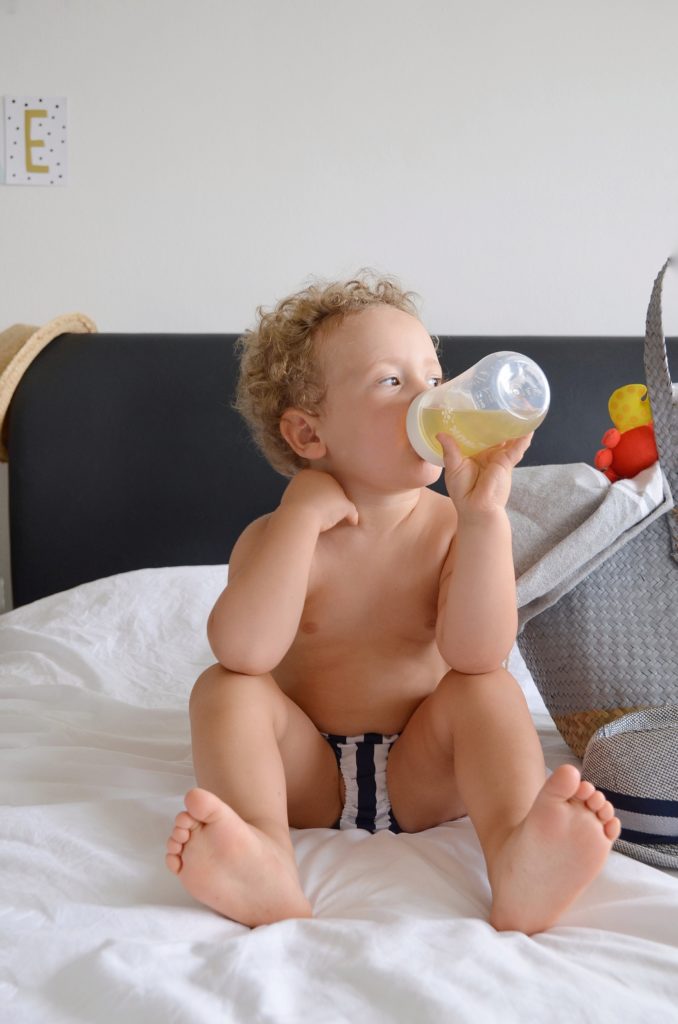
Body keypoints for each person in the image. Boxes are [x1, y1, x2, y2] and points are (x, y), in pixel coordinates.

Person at [165, 272, 621, 934]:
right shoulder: (274, 538)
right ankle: (262, 852)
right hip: (305, 774)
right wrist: (299, 520)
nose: (429, 399)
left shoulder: (451, 527)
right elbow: (243, 651)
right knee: (225, 689)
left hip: (423, 767)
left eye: (433, 378)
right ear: (308, 434)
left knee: (487, 689)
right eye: (391, 381)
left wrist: (485, 519)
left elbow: (477, 653)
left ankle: (519, 855)